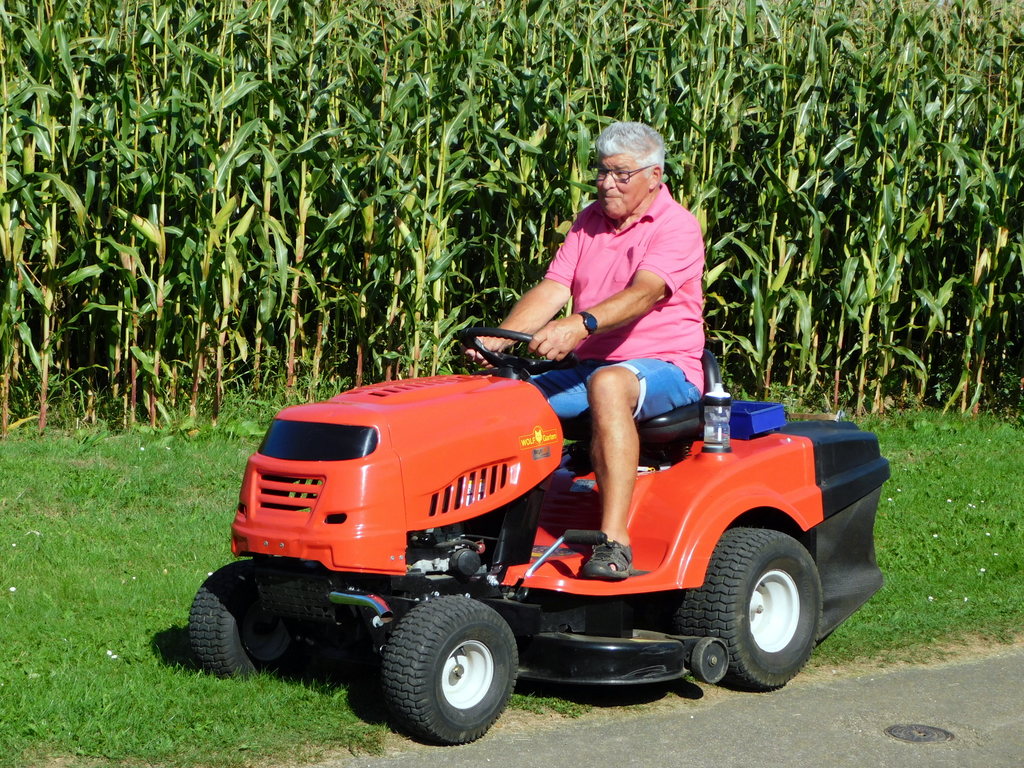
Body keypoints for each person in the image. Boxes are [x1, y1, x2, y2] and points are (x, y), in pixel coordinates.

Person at [479, 121, 705, 580]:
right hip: (593, 366)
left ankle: (614, 541)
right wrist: (499, 338)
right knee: (502, 396)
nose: (607, 184)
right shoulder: (589, 222)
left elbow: (644, 293)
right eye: (602, 172)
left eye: (621, 174)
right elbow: (553, 288)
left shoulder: (676, 226)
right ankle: (487, 529)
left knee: (608, 383)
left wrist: (579, 325)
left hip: (667, 366)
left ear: (654, 176)